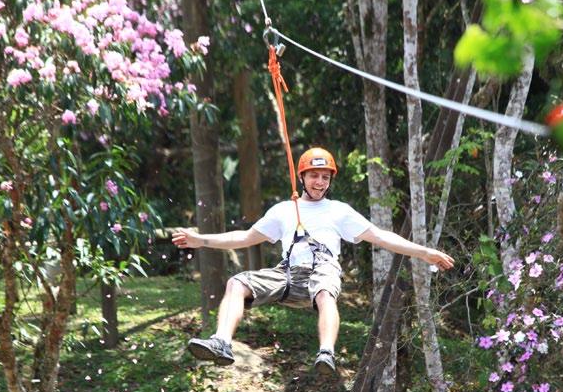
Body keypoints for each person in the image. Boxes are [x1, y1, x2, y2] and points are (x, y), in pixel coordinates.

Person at [171, 147, 454, 377]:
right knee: (236, 282)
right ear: (302, 177)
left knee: (324, 291)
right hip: (289, 275)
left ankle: (326, 353)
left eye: (325, 177)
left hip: (323, 269)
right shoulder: (283, 211)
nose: (320, 182)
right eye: (314, 176)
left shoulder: (339, 211)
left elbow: (381, 237)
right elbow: (245, 237)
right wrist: (202, 240)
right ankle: (222, 342)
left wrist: (423, 252)